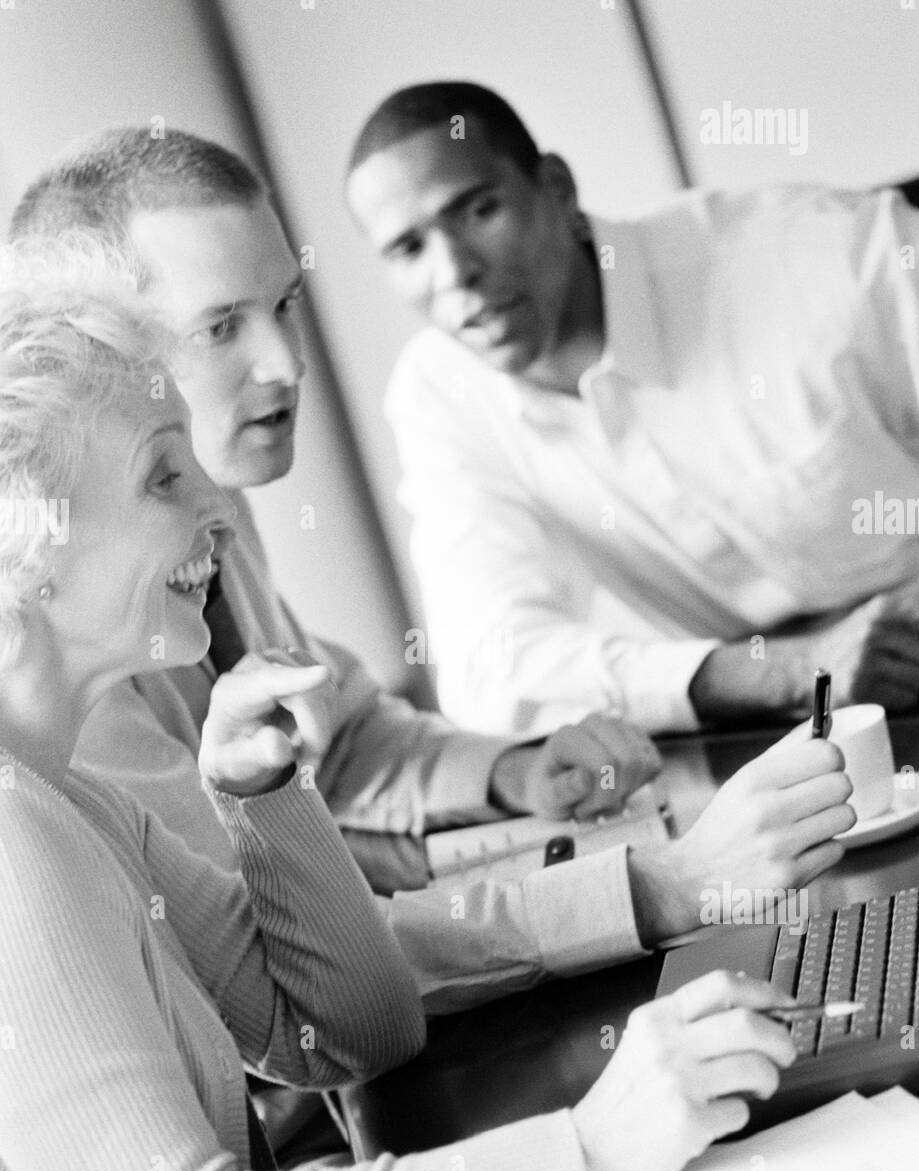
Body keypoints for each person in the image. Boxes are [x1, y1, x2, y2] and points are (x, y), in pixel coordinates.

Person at [0, 239, 807, 1171]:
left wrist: (264, 796)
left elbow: (349, 1029)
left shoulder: (75, 797)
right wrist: (591, 1148)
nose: (214, 508)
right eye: (162, 474)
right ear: (27, 549)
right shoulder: (17, 838)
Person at [10, 128, 854, 1036]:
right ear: (91, 352)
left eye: (284, 305)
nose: (287, 364)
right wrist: (661, 888)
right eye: (221, 326)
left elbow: (338, 738)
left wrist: (513, 771)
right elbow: (283, 967)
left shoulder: (211, 509)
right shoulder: (75, 635)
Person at [346, 81, 919, 739]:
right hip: (781, 728)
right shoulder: (441, 395)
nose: (453, 273)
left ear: (555, 188)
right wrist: (790, 671)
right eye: (408, 249)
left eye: (478, 211)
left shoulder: (826, 253)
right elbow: (488, 670)